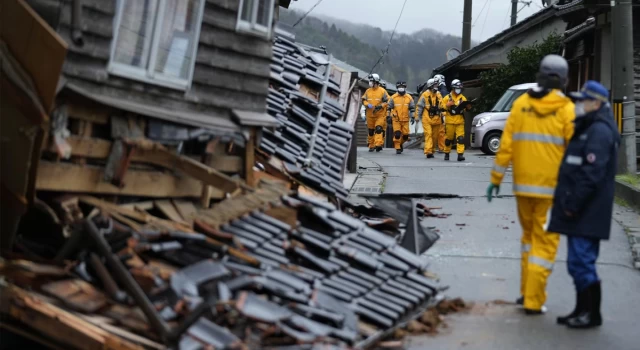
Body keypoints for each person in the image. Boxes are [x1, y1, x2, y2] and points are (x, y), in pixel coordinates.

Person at [486, 54, 576, 315]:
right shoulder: (567, 109)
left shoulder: (522, 104)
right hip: (551, 191)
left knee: (528, 241)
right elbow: (574, 152)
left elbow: (505, 147)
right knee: (544, 245)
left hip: (523, 188)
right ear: (563, 79)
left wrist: (495, 180)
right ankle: (533, 301)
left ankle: (527, 291)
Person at [546, 81, 620, 329]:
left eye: (582, 100)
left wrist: (572, 204)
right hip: (581, 208)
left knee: (582, 262)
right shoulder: (590, 125)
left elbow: (592, 174)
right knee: (576, 262)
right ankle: (581, 310)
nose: (578, 104)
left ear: (596, 103)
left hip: (587, 209)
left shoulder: (599, 131)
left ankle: (592, 314)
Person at [441, 79, 471, 161]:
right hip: (450, 121)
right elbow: (441, 108)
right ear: (453, 88)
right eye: (457, 88)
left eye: (460, 88)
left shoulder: (462, 98)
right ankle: (446, 153)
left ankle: (460, 155)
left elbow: (465, 109)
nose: (458, 90)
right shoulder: (447, 98)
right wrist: (447, 105)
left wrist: (468, 108)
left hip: (460, 121)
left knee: (460, 139)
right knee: (448, 139)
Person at [416, 79, 443, 158]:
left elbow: (442, 106)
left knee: (435, 136)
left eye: (437, 85)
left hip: (437, 119)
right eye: (434, 85)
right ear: (430, 86)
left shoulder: (439, 95)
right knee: (429, 134)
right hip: (427, 118)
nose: (436, 86)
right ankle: (428, 151)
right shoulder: (425, 95)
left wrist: (443, 114)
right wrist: (417, 116)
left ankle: (432, 150)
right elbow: (419, 106)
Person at [362, 74, 390, 152]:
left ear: (376, 82)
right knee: (371, 131)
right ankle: (371, 145)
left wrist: (381, 106)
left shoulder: (382, 91)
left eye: (371, 81)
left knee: (378, 129)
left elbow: (388, 100)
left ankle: (378, 144)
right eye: (370, 81)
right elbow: (363, 100)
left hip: (380, 114)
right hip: (370, 114)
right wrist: (367, 104)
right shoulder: (367, 91)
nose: (370, 83)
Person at [387, 81, 415, 154]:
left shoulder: (409, 97)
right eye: (399, 87)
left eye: (402, 87)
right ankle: (397, 147)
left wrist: (412, 117)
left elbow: (412, 108)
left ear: (405, 88)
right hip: (396, 119)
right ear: (397, 88)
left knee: (405, 136)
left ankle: (400, 143)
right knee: (397, 134)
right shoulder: (393, 97)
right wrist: (388, 116)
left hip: (405, 119)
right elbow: (388, 107)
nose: (401, 88)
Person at [434, 75, 447, 152]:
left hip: (442, 113)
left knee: (441, 132)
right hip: (441, 113)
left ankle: (442, 147)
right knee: (440, 132)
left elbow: (443, 103)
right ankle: (441, 147)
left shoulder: (442, 91)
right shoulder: (443, 89)